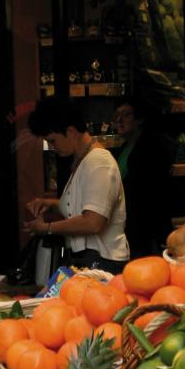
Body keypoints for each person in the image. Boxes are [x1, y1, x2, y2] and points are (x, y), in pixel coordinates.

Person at [25, 96, 129, 274]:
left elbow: (93, 222)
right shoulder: (83, 160)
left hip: (103, 263)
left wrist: (47, 229)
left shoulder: (98, 161)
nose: (52, 146)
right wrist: (52, 204)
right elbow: (85, 203)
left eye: (53, 140)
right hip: (90, 261)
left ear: (71, 131)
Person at [113, 97, 173, 258]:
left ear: (140, 119)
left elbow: (148, 190)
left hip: (146, 229)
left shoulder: (151, 146)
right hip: (131, 227)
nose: (119, 120)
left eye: (127, 115)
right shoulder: (124, 147)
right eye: (117, 115)